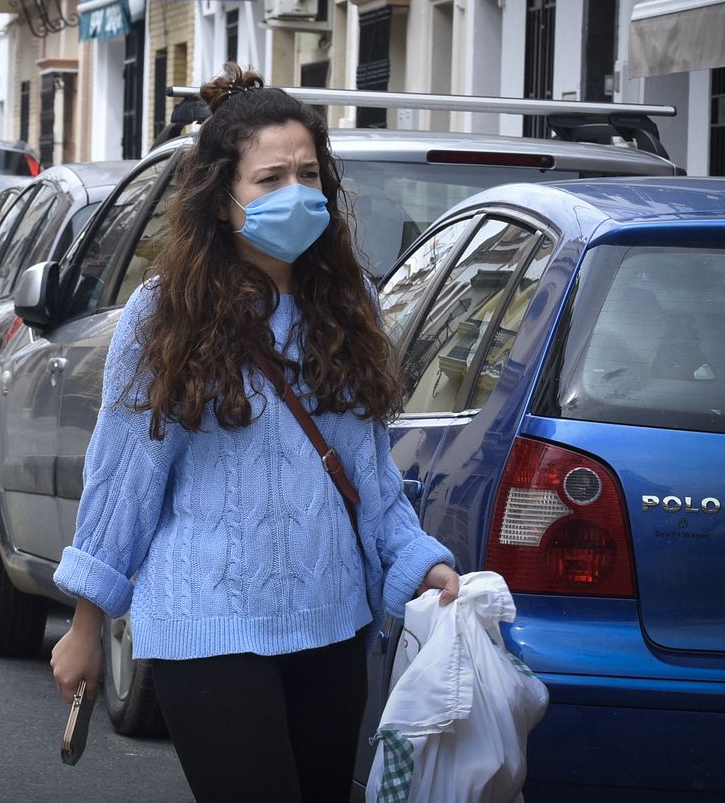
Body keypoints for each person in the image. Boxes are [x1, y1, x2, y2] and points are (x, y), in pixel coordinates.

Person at [49, 65, 459, 803]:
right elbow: (124, 482)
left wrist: (423, 565)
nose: (295, 193)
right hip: (206, 621)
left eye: (308, 175)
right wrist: (85, 626)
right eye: (270, 178)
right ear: (221, 197)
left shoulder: (350, 302)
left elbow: (368, 476)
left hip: (333, 624)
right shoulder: (161, 314)